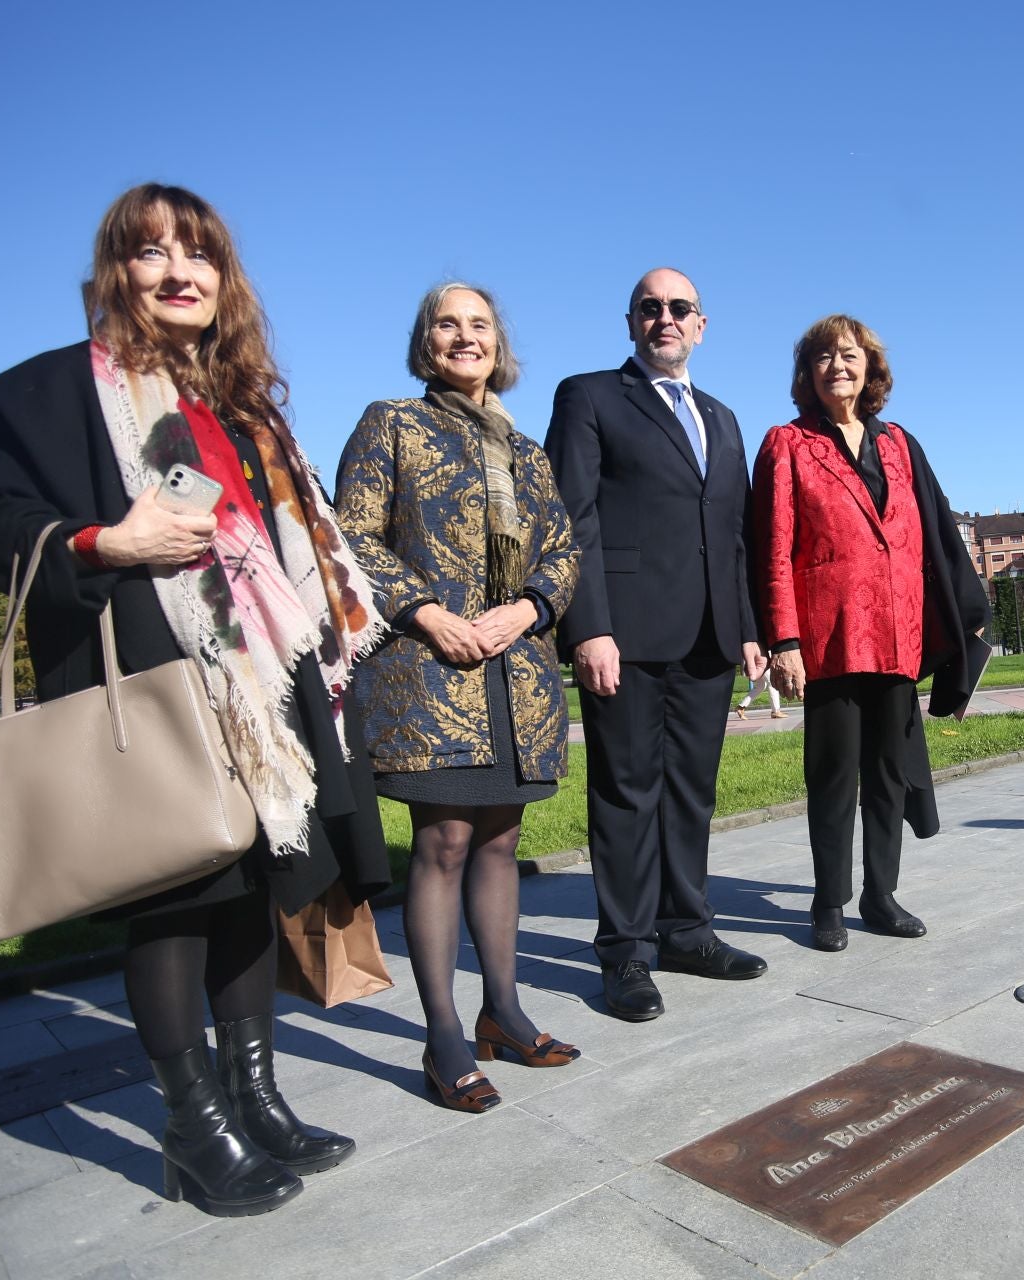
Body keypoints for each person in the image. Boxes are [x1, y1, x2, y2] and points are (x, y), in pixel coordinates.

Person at [0, 184, 391, 1216]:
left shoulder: (240, 406)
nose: (177, 271)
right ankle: (194, 1128)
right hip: (155, 671)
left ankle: (256, 1099)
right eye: (150, 253)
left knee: (251, 886)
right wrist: (106, 541)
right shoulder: (60, 390)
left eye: (197, 253)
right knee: (173, 895)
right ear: (118, 273)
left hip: (263, 681)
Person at [335, 283, 581, 1112]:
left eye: (480, 325)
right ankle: (442, 1038)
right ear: (425, 341)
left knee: (501, 845)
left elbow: (562, 551)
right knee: (441, 843)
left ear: (498, 345)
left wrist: (525, 608)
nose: (465, 336)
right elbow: (352, 536)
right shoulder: (391, 424)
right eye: (449, 323)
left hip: (517, 672)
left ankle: (503, 1013)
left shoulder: (528, 451)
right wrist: (431, 615)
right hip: (431, 671)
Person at [543, 268, 768, 1021]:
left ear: (701, 325)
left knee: (690, 794)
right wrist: (589, 626)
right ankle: (628, 953)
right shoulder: (591, 396)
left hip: (708, 637)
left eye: (680, 308)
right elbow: (572, 519)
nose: (665, 318)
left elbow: (732, 534)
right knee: (627, 793)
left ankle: (687, 931)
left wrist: (746, 629)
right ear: (631, 322)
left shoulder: (724, 418)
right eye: (651, 308)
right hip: (626, 635)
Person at [748, 315, 989, 953]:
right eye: (823, 357)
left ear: (870, 368)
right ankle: (829, 901)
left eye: (849, 355)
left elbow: (932, 538)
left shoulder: (901, 444)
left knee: (888, 774)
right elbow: (771, 549)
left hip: (897, 635)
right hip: (827, 641)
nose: (838, 366)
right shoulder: (787, 444)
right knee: (834, 777)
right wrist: (784, 639)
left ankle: (881, 895)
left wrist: (963, 619)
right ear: (808, 372)